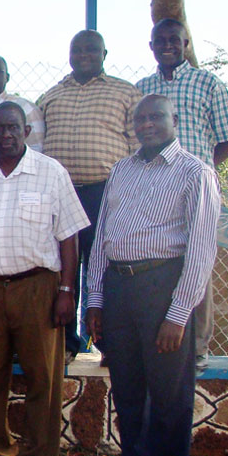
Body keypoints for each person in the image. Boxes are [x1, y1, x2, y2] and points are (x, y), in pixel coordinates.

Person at [86, 95, 220, 456]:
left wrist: (179, 314)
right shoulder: (122, 170)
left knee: (169, 398)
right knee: (128, 392)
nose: (147, 125)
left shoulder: (195, 173)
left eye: (155, 117)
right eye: (140, 118)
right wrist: (97, 300)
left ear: (173, 120)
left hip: (164, 286)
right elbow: (103, 233)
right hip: (121, 288)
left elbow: (201, 250)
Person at [0, 102, 88, 456]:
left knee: (43, 379)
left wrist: (67, 291)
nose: (6, 134)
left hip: (38, 287)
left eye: (13, 127)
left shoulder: (51, 173)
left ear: (27, 131)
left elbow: (69, 236)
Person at [136, 18, 228, 370]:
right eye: (159, 40)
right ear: (151, 46)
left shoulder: (207, 83)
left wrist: (203, 170)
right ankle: (156, 339)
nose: (167, 45)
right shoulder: (143, 88)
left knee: (198, 260)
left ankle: (196, 347)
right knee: (156, 259)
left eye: (174, 40)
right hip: (152, 188)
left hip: (194, 185)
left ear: (185, 44)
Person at [38, 30, 142, 361]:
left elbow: (139, 146)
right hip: (60, 194)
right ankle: (65, 343)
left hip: (107, 192)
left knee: (104, 268)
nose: (84, 55)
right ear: (69, 54)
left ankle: (108, 345)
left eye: (91, 50)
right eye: (77, 50)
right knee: (61, 270)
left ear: (104, 54)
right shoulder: (51, 95)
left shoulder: (126, 93)